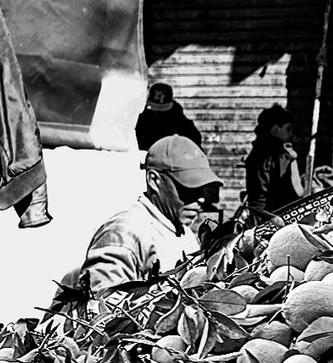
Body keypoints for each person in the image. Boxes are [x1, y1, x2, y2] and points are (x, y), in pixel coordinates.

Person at [67, 135, 221, 305]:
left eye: (202, 189)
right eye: (188, 187)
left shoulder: (185, 234)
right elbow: (102, 307)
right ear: (154, 180)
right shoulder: (124, 233)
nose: (200, 199)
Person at [244, 104, 302, 216]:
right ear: (275, 129)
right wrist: (293, 160)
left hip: (256, 212)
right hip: (275, 214)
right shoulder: (279, 154)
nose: (291, 134)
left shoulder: (256, 151)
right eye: (288, 128)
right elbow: (296, 191)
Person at [134, 83, 203, 151]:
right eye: (155, 109)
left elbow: (196, 144)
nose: (158, 113)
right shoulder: (141, 119)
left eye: (163, 110)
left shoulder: (179, 119)